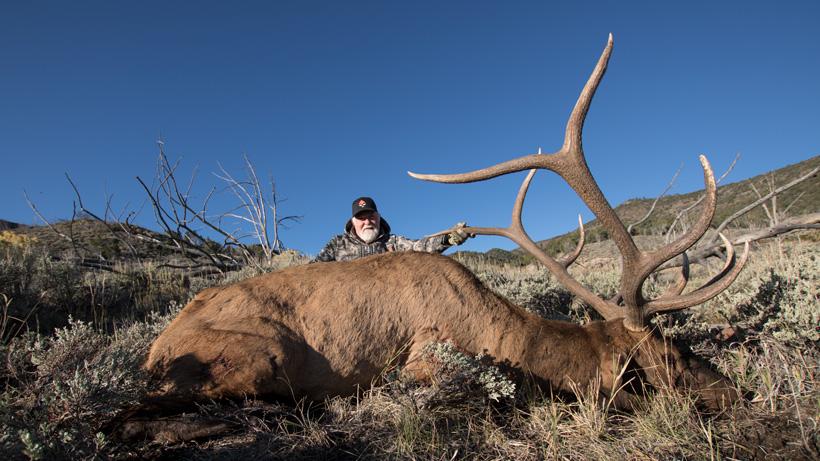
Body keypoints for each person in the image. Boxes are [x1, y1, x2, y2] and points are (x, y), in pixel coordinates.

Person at [312, 196, 472, 262]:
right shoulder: (337, 244)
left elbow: (420, 246)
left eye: (371, 216)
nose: (367, 221)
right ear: (353, 222)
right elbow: (313, 269)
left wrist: (448, 238)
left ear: (379, 217)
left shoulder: (393, 242)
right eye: (361, 218)